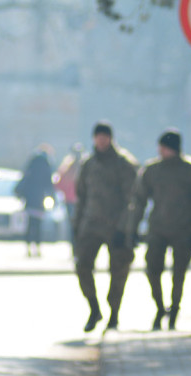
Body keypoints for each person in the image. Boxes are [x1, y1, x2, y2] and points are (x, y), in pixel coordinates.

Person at [128, 129, 191, 330]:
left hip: (184, 230)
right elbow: (139, 200)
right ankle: (159, 307)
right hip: (157, 228)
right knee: (152, 269)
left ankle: (174, 311)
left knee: (179, 274)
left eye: (164, 147)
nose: (161, 151)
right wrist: (132, 228)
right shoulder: (152, 170)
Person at [73, 121, 138, 332]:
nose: (101, 141)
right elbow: (81, 197)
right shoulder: (88, 164)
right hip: (91, 224)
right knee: (82, 266)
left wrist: (126, 228)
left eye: (105, 137)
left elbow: (132, 199)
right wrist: (77, 226)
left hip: (116, 227)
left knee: (118, 271)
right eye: (98, 137)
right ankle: (94, 308)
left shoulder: (123, 163)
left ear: (110, 138)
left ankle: (114, 313)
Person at [15, 144, 55, 257]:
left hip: (29, 198)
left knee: (29, 224)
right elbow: (49, 184)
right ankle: (37, 248)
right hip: (39, 199)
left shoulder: (31, 163)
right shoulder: (46, 164)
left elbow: (24, 179)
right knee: (38, 225)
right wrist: (52, 197)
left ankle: (28, 247)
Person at [54, 142, 85, 246]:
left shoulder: (86, 165)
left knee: (81, 225)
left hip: (81, 201)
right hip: (71, 201)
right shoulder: (67, 166)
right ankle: (75, 246)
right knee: (74, 225)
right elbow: (59, 183)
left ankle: (78, 246)